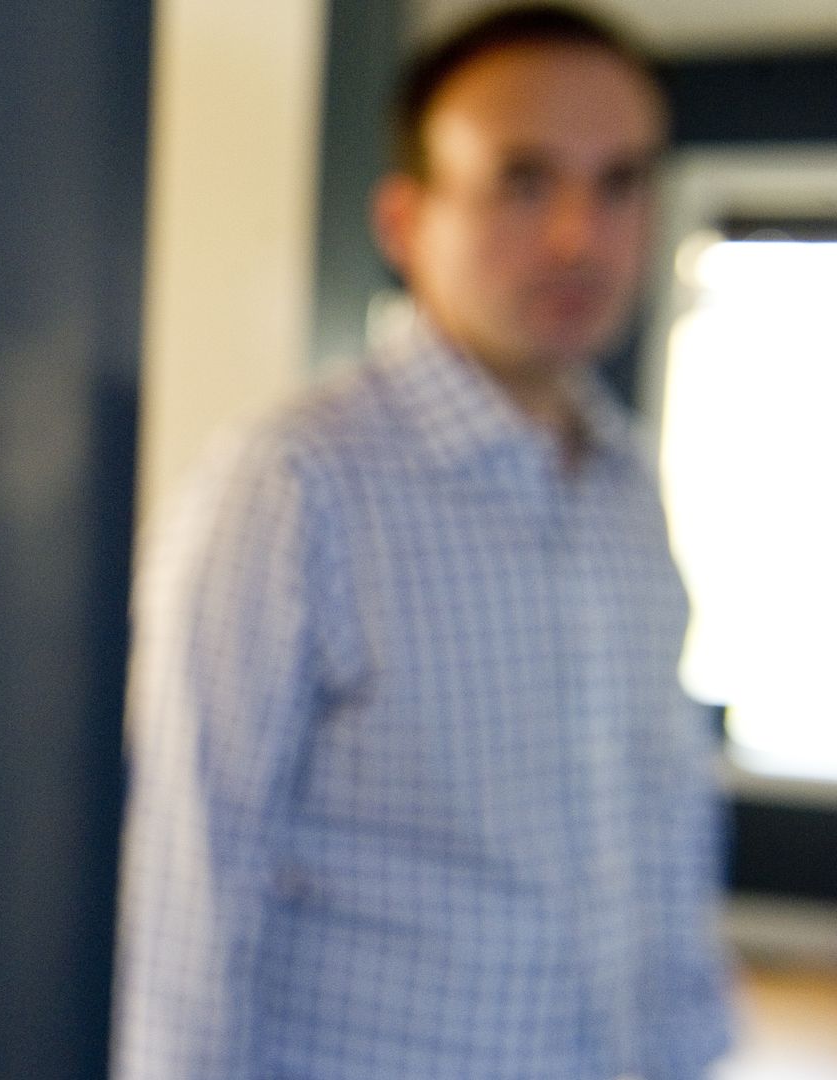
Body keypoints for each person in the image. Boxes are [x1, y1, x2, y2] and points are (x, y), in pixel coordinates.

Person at [109, 6, 733, 1079]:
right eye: (524, 180)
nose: (580, 233)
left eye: (620, 181)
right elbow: (192, 900)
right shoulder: (293, 488)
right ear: (405, 222)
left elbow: (664, 842)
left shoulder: (629, 487)